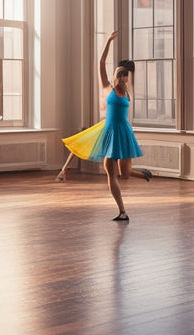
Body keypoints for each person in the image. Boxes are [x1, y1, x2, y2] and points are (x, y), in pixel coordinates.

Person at [61, 31, 144, 221]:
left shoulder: (127, 92)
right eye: (121, 77)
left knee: (124, 175)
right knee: (108, 167)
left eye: (124, 78)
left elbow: (128, 77)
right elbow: (101, 63)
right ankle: (122, 211)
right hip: (110, 132)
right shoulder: (107, 87)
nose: (123, 80)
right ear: (116, 77)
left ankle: (141, 175)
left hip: (123, 133)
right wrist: (108, 41)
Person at [55, 58, 152, 183]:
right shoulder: (111, 88)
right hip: (106, 124)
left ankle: (63, 170)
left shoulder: (125, 92)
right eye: (126, 75)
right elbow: (102, 66)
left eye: (128, 75)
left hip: (113, 126)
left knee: (119, 166)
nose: (126, 78)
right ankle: (63, 170)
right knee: (82, 141)